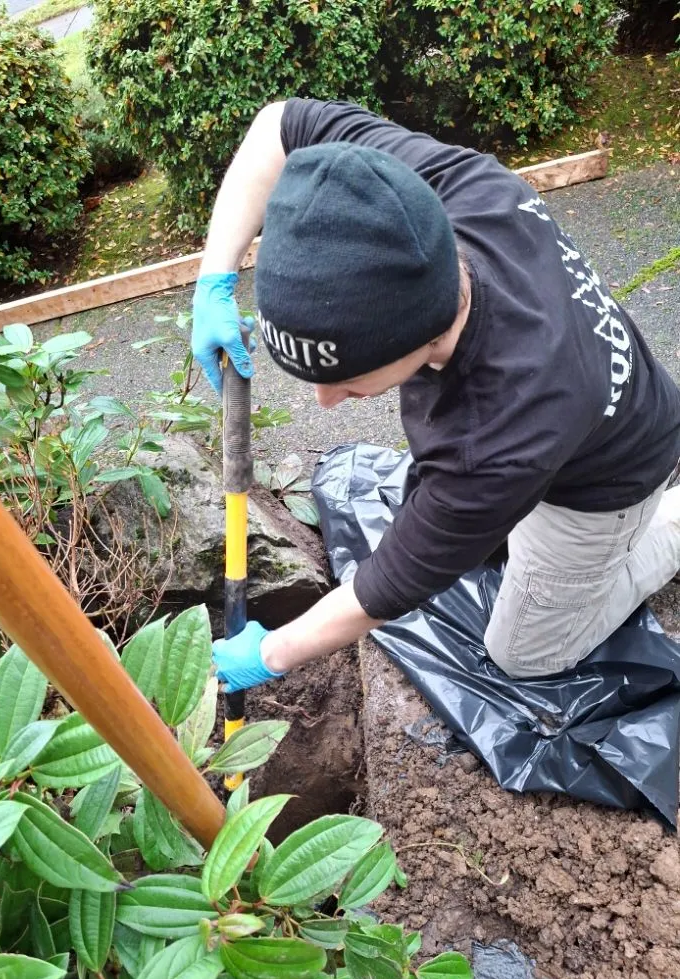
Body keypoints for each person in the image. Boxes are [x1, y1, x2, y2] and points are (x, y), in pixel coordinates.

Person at [192, 98, 680, 692]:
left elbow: (388, 588)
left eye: (348, 379)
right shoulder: (444, 192)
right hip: (584, 401)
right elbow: (279, 123)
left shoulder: (505, 427)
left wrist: (272, 653)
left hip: (609, 480)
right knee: (485, 534)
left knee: (525, 656)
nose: (324, 400)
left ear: (422, 334)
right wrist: (215, 277)